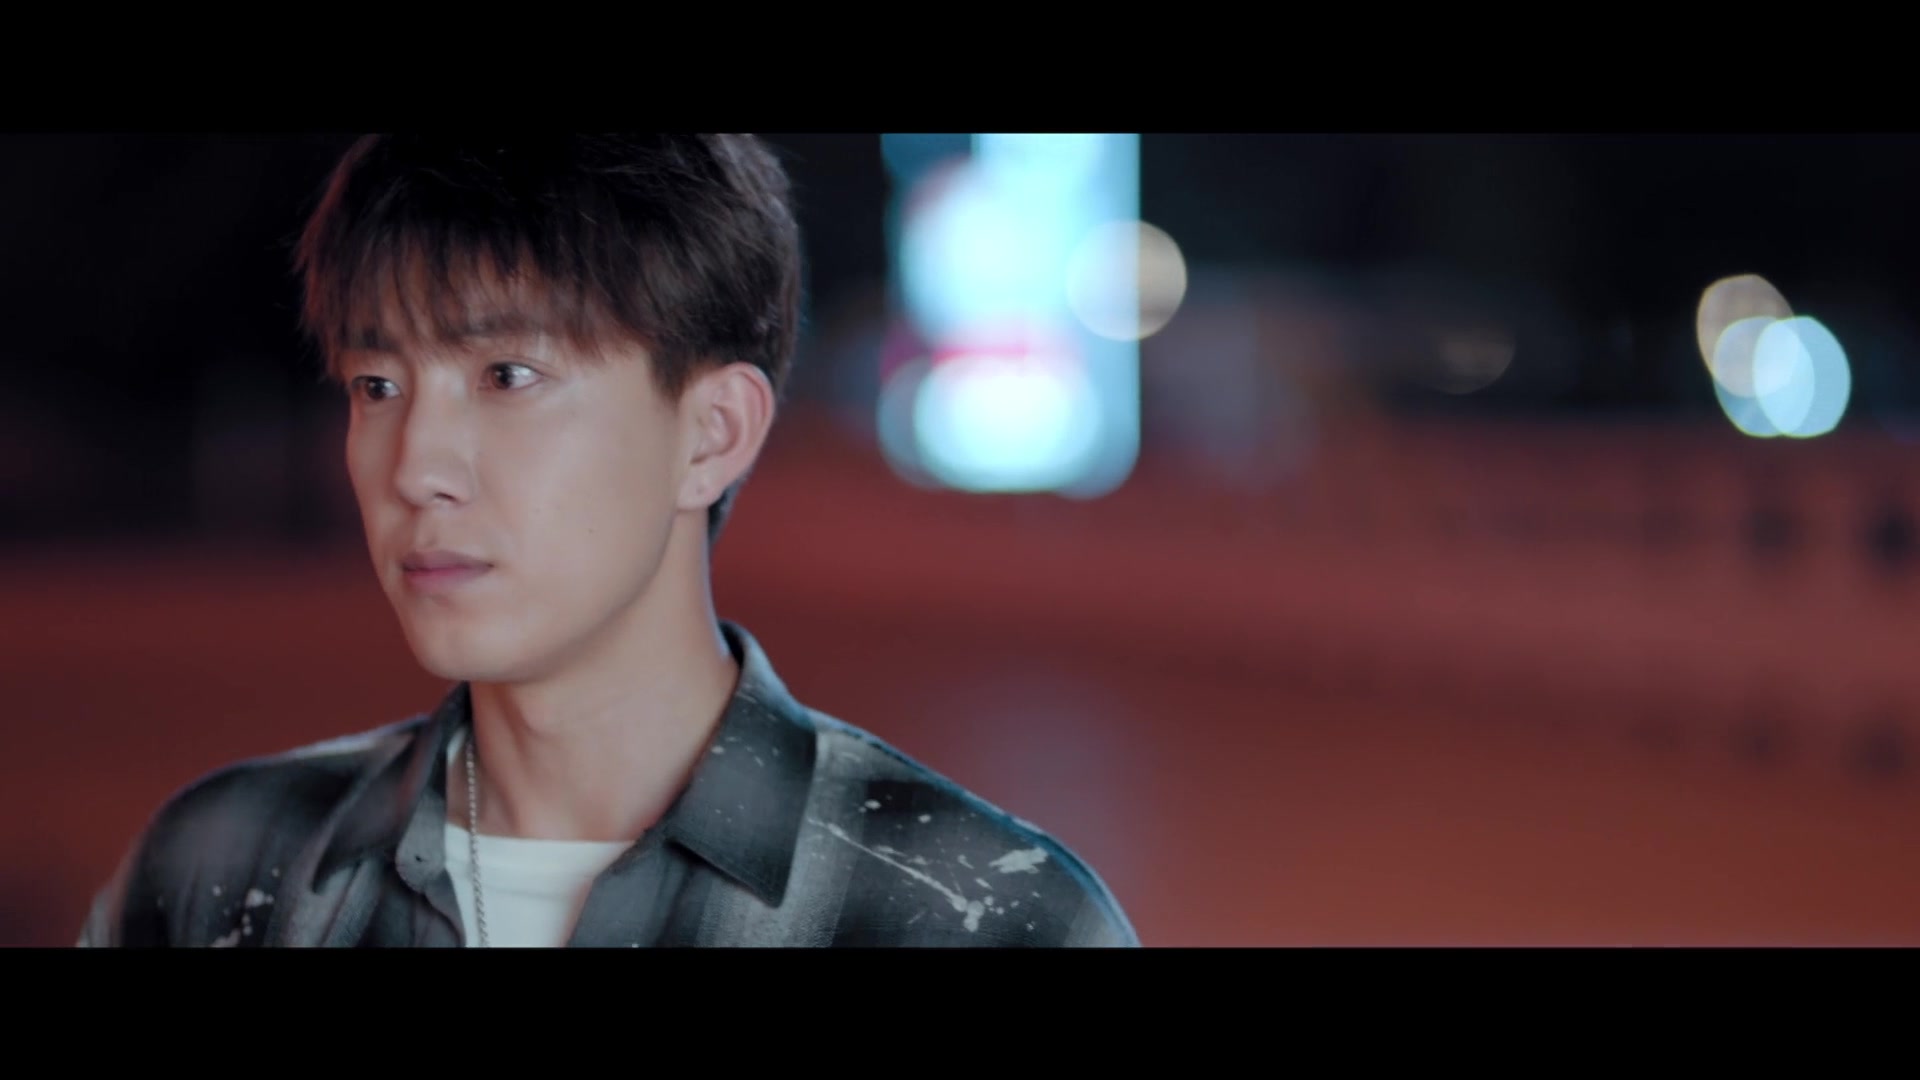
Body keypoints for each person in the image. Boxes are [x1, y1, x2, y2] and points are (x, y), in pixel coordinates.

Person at [76, 134, 1139, 947]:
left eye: (507, 376)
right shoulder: (221, 873)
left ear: (711, 434)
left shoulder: (975, 916)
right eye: (377, 385)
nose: (414, 468)